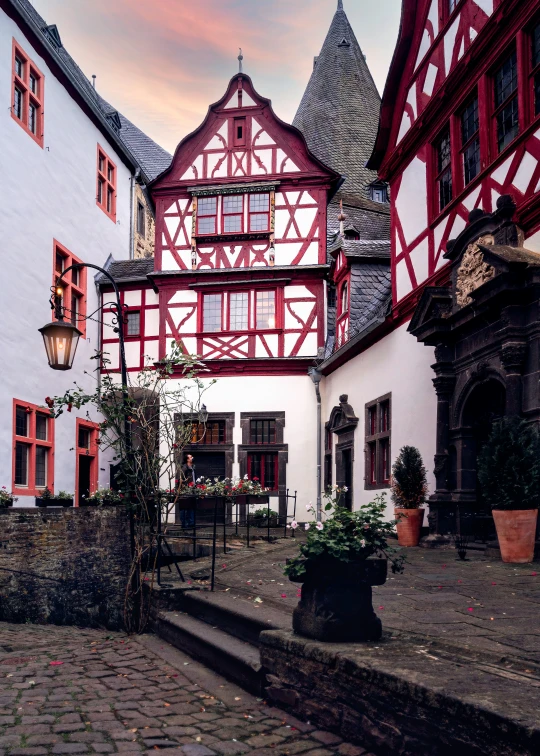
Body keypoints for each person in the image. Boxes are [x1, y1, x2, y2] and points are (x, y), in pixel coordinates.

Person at [180, 454, 196, 527]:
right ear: (187, 459)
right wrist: (185, 487)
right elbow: (181, 479)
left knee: (191, 506)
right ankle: (184, 523)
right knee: (184, 506)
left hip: (192, 489)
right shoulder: (184, 468)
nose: (192, 458)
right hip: (186, 489)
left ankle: (191, 523)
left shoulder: (192, 467)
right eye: (190, 457)